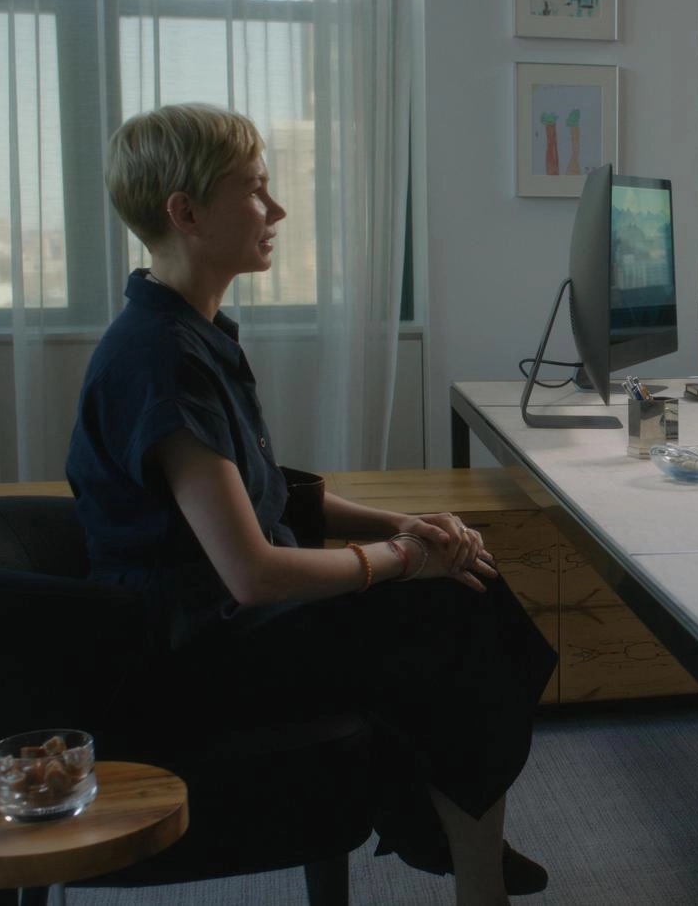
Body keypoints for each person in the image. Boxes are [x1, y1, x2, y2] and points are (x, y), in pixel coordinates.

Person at [67, 103, 558, 906]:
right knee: (456, 611)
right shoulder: (160, 359)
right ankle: (469, 861)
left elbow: (269, 489)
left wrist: (402, 524)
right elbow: (252, 572)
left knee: (464, 595)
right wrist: (401, 560)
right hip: (187, 657)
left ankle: (451, 830)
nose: (278, 210)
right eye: (255, 190)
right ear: (186, 213)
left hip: (219, 624)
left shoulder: (190, 331)